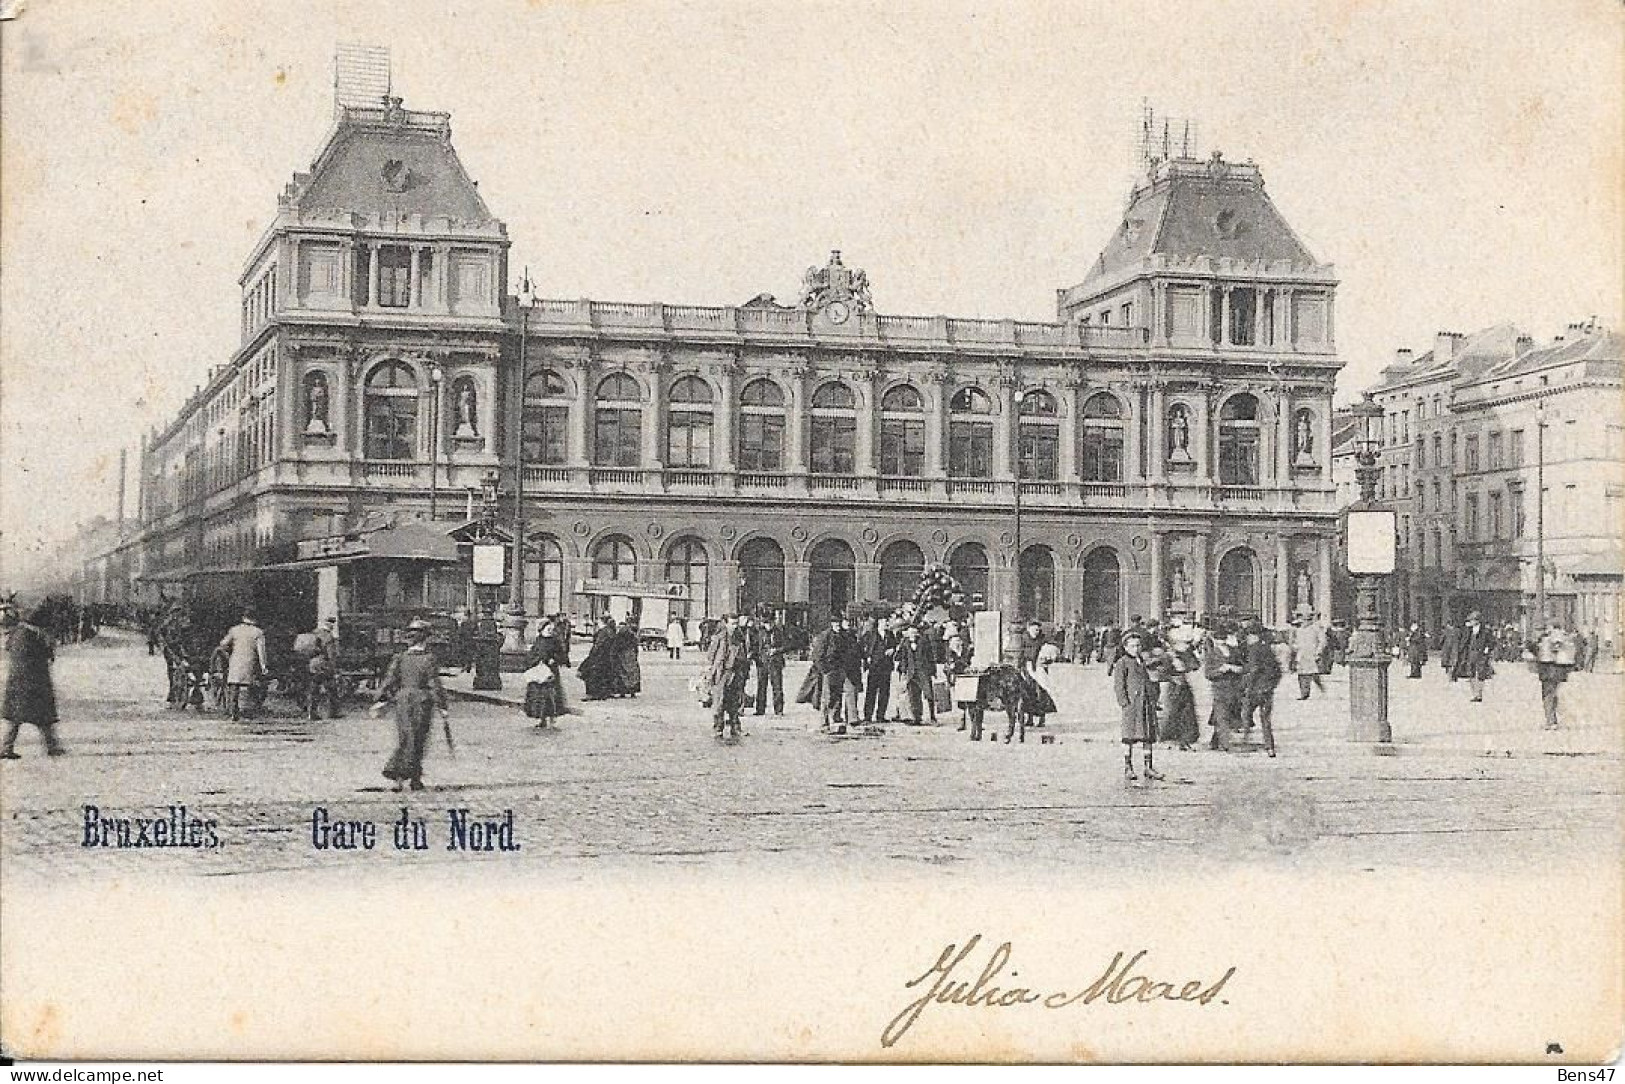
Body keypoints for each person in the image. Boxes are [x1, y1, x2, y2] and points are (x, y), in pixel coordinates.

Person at [374, 619, 449, 792]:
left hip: (402, 700)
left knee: (406, 736)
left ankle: (410, 777)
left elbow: (389, 680)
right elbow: (434, 684)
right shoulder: (429, 659)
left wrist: (380, 698)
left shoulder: (400, 658)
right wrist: (442, 706)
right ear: (426, 639)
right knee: (418, 738)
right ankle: (402, 773)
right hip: (421, 700)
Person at [1, 602, 65, 759]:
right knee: (43, 717)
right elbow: (47, 655)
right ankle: (52, 746)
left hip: (17, 682)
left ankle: (6, 748)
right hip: (35, 681)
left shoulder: (16, 633)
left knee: (16, 718)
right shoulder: (36, 635)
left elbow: (8, 648)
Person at [1114, 630, 1162, 783]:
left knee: (1147, 736)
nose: (1136, 648)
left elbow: (1150, 680)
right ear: (1126, 647)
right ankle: (1128, 767)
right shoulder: (1122, 662)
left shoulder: (1142, 661)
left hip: (1146, 703)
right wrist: (1124, 703)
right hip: (1132, 706)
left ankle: (1148, 767)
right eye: (1133, 646)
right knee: (1129, 737)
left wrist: (1154, 698)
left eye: (1138, 645)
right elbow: (1119, 685)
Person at [215, 611, 269, 722]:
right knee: (252, 685)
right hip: (250, 661)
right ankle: (250, 709)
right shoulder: (258, 632)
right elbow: (261, 651)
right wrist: (263, 666)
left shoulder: (234, 630)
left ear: (243, 618)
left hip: (235, 660)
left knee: (234, 686)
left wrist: (228, 652)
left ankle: (233, 711)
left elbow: (223, 644)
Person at [1242, 624, 1282, 757]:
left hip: (1255, 689)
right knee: (1266, 720)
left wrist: (1247, 685)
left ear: (1253, 636)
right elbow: (1278, 670)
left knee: (1246, 714)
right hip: (1267, 690)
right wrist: (1272, 685)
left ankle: (1245, 741)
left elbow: (1254, 669)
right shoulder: (1267, 649)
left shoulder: (1254, 649)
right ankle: (1270, 747)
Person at [805, 615, 849, 733]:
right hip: (828, 671)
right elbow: (817, 655)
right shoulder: (825, 636)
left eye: (840, 623)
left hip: (839, 670)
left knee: (838, 695)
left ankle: (835, 719)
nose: (838, 626)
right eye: (836, 624)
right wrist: (824, 670)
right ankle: (824, 722)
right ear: (832, 624)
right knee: (827, 697)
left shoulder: (844, 636)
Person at [1205, 623, 1245, 751]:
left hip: (1234, 688)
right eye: (1219, 639)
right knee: (1222, 715)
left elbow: (1243, 667)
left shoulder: (1234, 651)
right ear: (1214, 640)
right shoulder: (1212, 654)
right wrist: (1220, 670)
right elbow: (1208, 674)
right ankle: (1225, 744)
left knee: (1226, 714)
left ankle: (1214, 741)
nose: (1221, 641)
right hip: (1219, 688)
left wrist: (1236, 669)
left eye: (1223, 638)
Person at [522, 619, 567, 728]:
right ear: (541, 630)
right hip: (538, 672)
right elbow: (532, 654)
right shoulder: (538, 641)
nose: (550, 631)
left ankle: (552, 719)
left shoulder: (555, 641)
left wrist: (555, 659)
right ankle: (541, 718)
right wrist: (535, 661)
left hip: (551, 672)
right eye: (548, 629)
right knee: (538, 697)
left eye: (551, 629)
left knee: (551, 696)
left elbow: (562, 655)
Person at [1533, 623, 1577, 730]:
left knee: (1548, 695)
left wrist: (1538, 646)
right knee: (1555, 694)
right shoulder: (1566, 637)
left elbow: (1546, 652)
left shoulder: (1548, 638)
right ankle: (1554, 720)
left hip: (1548, 670)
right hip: (1560, 670)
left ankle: (1550, 721)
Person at [894, 624, 937, 728]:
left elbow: (931, 656)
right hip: (911, 672)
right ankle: (917, 717)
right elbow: (903, 658)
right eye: (910, 633)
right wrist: (904, 671)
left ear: (917, 633)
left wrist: (933, 671)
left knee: (929, 694)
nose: (912, 635)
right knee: (914, 695)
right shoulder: (905, 643)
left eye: (914, 633)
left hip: (923, 671)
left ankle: (932, 716)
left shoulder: (924, 642)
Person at [302, 616, 343, 720]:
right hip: (323, 665)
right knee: (332, 688)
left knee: (314, 688)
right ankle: (333, 712)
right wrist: (334, 668)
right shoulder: (328, 637)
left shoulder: (314, 633)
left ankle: (311, 712)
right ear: (331, 625)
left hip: (313, 664)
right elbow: (331, 655)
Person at [1451, 611, 1496, 702]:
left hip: (1481, 654)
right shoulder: (1469, 631)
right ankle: (1474, 693)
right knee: (1470, 673)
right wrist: (1461, 651)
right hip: (1470, 654)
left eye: (1472, 620)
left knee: (1480, 674)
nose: (1470, 622)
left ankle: (1479, 694)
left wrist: (1487, 650)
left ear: (1477, 621)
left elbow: (1492, 642)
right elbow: (1464, 642)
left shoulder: (1485, 631)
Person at [859, 616, 896, 724]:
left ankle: (881, 716)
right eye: (884, 621)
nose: (886, 624)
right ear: (879, 623)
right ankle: (868, 716)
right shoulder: (871, 634)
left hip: (886, 667)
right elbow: (861, 645)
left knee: (884, 692)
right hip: (874, 667)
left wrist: (892, 650)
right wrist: (867, 657)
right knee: (871, 692)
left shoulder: (890, 635)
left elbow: (894, 646)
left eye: (887, 622)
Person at [753, 614, 788, 717]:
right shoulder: (760, 632)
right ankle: (760, 709)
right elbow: (755, 645)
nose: (768, 625)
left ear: (773, 622)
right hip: (762, 662)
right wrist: (756, 657)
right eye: (765, 623)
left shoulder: (779, 632)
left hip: (775, 662)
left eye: (769, 623)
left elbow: (786, 645)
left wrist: (776, 650)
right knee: (761, 686)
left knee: (777, 686)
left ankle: (779, 710)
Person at [578, 615, 620, 700]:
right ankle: (604, 693)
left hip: (598, 657)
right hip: (607, 657)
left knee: (590, 673)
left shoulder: (603, 632)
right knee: (605, 674)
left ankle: (592, 694)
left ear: (602, 622)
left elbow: (598, 645)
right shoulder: (611, 631)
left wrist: (592, 655)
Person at [1292, 615, 1329, 700]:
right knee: (1301, 674)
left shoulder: (1316, 629)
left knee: (1313, 673)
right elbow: (1296, 641)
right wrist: (1295, 647)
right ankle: (1304, 693)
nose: (1303, 622)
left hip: (1312, 654)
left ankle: (1321, 688)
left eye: (1305, 620)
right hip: (1301, 654)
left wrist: (1319, 651)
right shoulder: (1299, 630)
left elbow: (1322, 641)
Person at [613, 618, 642, 698]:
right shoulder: (632, 634)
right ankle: (633, 692)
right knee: (633, 674)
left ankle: (622, 692)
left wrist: (615, 655)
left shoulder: (619, 634)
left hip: (622, 655)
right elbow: (636, 646)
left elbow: (616, 646)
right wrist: (635, 655)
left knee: (622, 673)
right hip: (631, 655)